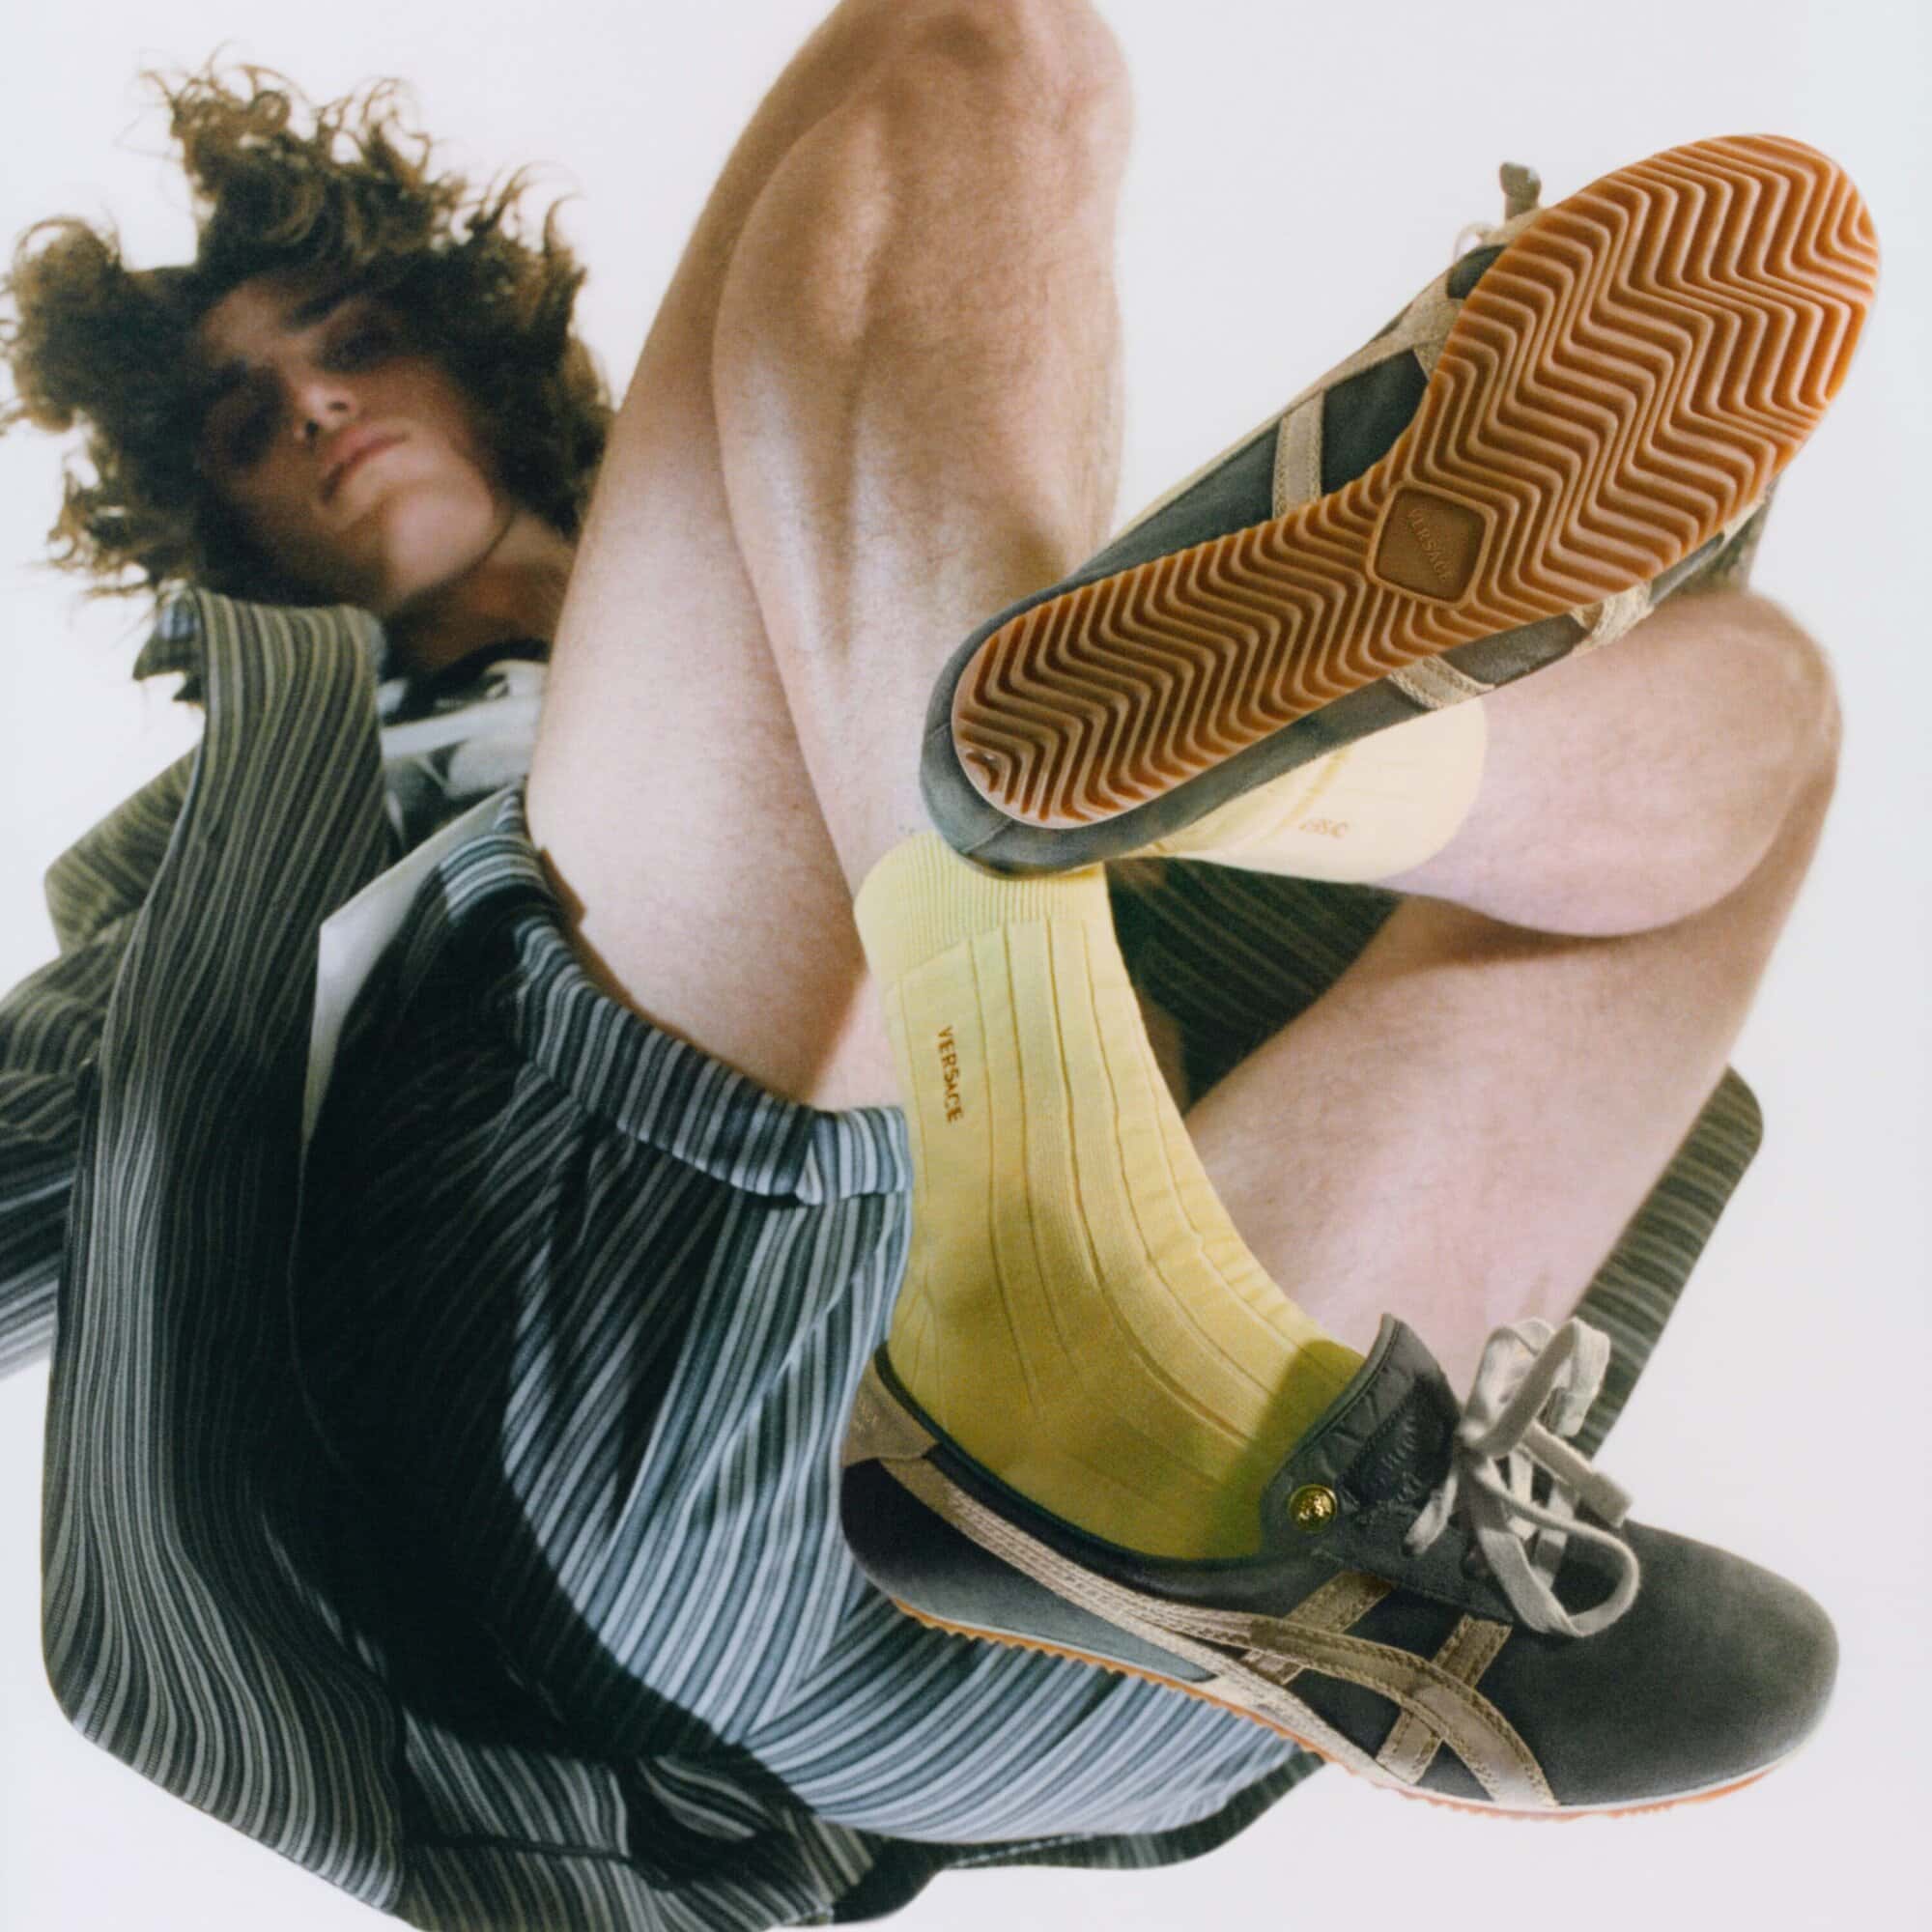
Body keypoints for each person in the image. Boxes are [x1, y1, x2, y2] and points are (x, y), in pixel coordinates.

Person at [0, 1, 1852, 1920]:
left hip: (1136, 1648)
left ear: (479, 363)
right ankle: (1085, 1153)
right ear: (215, 529)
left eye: (352, 340)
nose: (317, 405)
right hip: (624, 1480)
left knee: (1764, 718)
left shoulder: (936, 538)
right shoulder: (258, 834)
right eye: (248, 420)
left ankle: (1248, 821)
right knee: (971, 47)